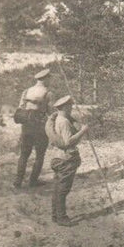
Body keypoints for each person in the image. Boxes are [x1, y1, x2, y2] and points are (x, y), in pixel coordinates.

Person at [46, 95, 89, 226]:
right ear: (65, 107)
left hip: (58, 158)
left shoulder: (58, 119)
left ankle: (55, 215)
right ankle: (61, 217)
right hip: (66, 159)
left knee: (57, 188)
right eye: (70, 106)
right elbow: (68, 142)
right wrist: (83, 131)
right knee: (63, 189)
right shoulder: (64, 122)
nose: (71, 108)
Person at [13, 67, 53, 189]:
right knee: (40, 154)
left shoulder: (26, 91)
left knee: (24, 154)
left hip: (26, 125)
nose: (50, 80)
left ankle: (18, 181)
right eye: (49, 78)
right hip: (40, 124)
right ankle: (33, 181)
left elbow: (21, 107)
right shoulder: (48, 93)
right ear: (45, 79)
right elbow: (51, 112)